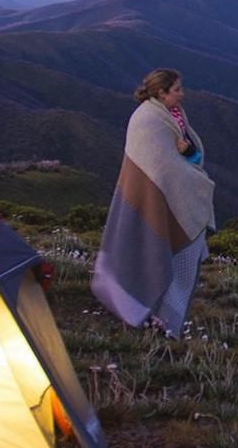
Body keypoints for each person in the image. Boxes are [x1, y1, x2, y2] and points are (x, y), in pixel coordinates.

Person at [92, 68, 215, 338]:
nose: (182, 94)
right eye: (177, 89)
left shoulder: (175, 117)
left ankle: (168, 320)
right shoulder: (147, 121)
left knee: (182, 265)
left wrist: (192, 157)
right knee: (157, 257)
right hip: (153, 201)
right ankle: (157, 319)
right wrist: (199, 183)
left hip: (175, 200)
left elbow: (189, 157)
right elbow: (159, 169)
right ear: (161, 92)